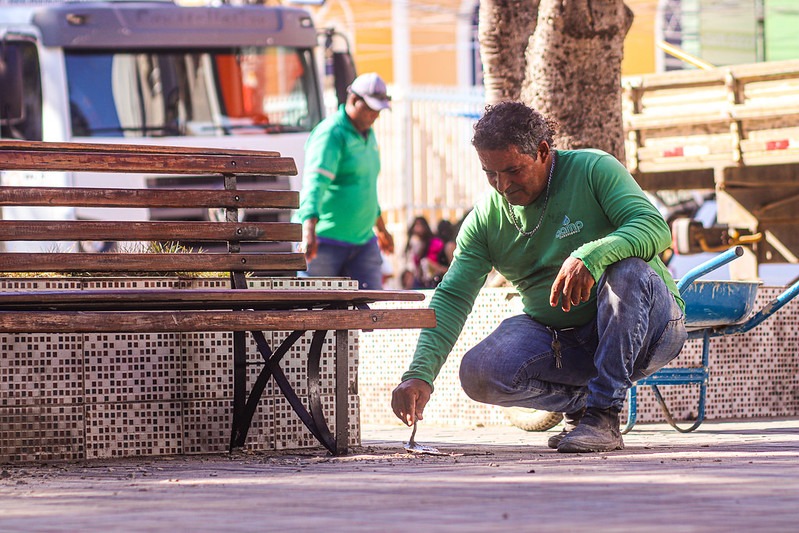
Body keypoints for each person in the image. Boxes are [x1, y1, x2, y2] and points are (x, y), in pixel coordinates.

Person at [391, 102, 687, 453]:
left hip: (650, 329)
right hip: (566, 341)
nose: (503, 185)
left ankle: (603, 416)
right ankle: (581, 405)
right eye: (491, 173)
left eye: (513, 170)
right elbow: (453, 296)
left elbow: (654, 227)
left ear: (543, 151)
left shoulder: (594, 169)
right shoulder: (485, 219)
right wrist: (418, 373)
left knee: (628, 271)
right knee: (478, 372)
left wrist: (592, 256)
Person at [295, 72, 394, 289]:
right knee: (315, 314)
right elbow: (314, 184)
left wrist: (381, 228)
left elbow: (365, 187)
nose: (375, 115)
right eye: (370, 109)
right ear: (353, 100)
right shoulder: (331, 134)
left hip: (363, 243)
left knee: (371, 312)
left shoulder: (368, 134)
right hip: (325, 242)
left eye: (378, 110)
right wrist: (308, 229)